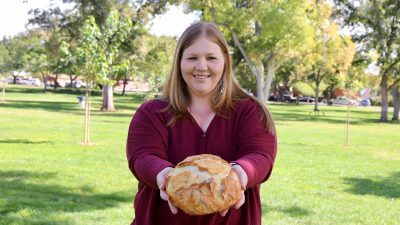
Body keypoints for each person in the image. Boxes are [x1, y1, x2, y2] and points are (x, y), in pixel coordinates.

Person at [126, 22, 277, 225]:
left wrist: (239, 175)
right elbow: (142, 156)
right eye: (192, 58)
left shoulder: (250, 112)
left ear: (225, 61)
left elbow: (261, 156)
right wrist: (165, 177)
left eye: (211, 58)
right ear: (179, 62)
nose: (201, 66)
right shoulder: (151, 113)